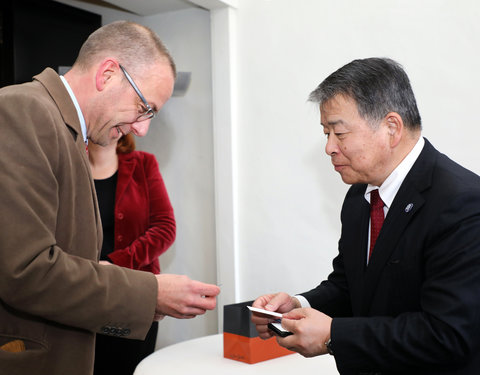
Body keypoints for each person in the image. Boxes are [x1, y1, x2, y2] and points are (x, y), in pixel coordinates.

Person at [0, 21, 220, 375]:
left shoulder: (68, 130)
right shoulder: (23, 111)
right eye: (144, 107)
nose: (142, 128)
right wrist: (149, 293)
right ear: (107, 74)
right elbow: (25, 271)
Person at [251, 57, 480, 374]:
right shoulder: (360, 196)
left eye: (339, 133)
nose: (329, 147)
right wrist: (299, 306)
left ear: (391, 127)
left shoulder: (463, 203)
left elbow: (447, 334)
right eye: (325, 133)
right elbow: (351, 288)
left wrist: (333, 336)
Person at [88, 133, 176, 375]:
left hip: (135, 298)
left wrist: (115, 265)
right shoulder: (68, 165)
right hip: (84, 294)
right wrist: (90, 271)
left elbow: (164, 227)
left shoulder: (143, 163)